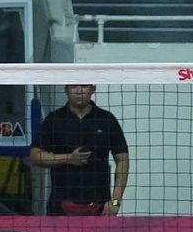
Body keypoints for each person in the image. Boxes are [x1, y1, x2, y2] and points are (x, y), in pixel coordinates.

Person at [29, 85, 129, 216]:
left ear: (93, 89)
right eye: (74, 86)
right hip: (60, 207)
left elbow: (122, 160)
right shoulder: (54, 120)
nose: (79, 90)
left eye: (84, 86)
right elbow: (35, 156)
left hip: (100, 207)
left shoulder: (106, 119)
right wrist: (69, 158)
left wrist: (115, 202)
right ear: (66, 90)